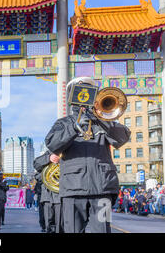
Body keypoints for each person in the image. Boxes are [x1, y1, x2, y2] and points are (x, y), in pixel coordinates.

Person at [45, 77, 131, 233]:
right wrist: (75, 126)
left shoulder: (104, 121)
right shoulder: (63, 123)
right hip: (73, 189)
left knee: (102, 231)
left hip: (102, 189)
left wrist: (100, 119)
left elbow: (121, 138)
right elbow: (52, 144)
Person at [34, 150, 62, 233]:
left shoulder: (69, 153)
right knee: (49, 225)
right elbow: (36, 164)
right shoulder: (50, 153)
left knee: (62, 224)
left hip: (63, 196)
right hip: (48, 197)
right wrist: (49, 158)